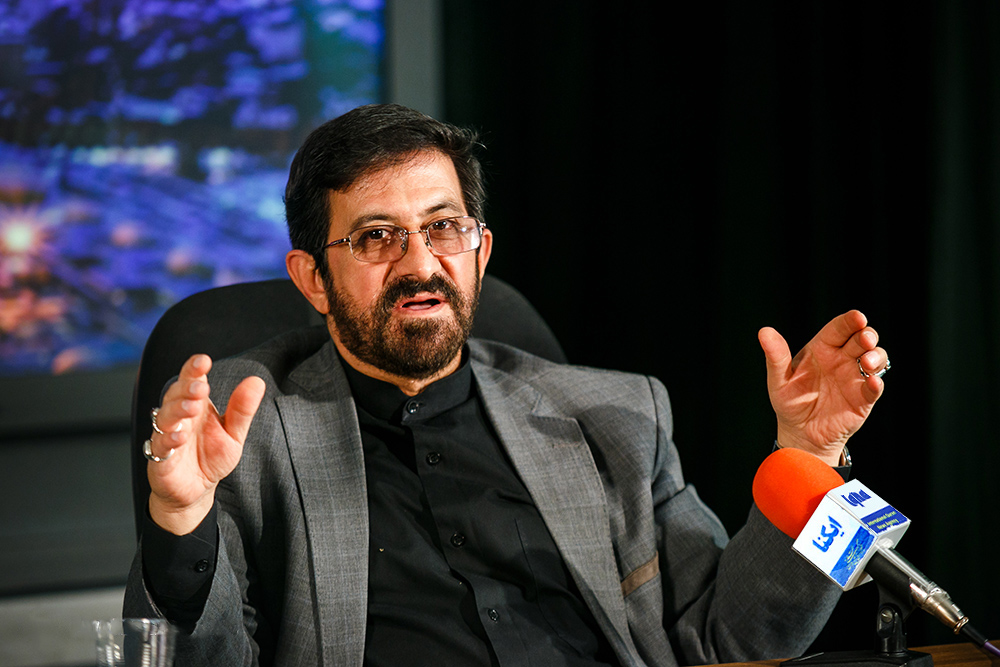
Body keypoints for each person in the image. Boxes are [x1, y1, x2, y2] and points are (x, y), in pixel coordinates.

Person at [124, 103, 891, 667]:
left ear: (481, 251)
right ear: (313, 279)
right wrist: (180, 520)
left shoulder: (614, 416)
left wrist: (808, 454)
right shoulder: (245, 422)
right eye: (377, 236)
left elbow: (728, 641)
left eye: (443, 227)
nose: (420, 263)